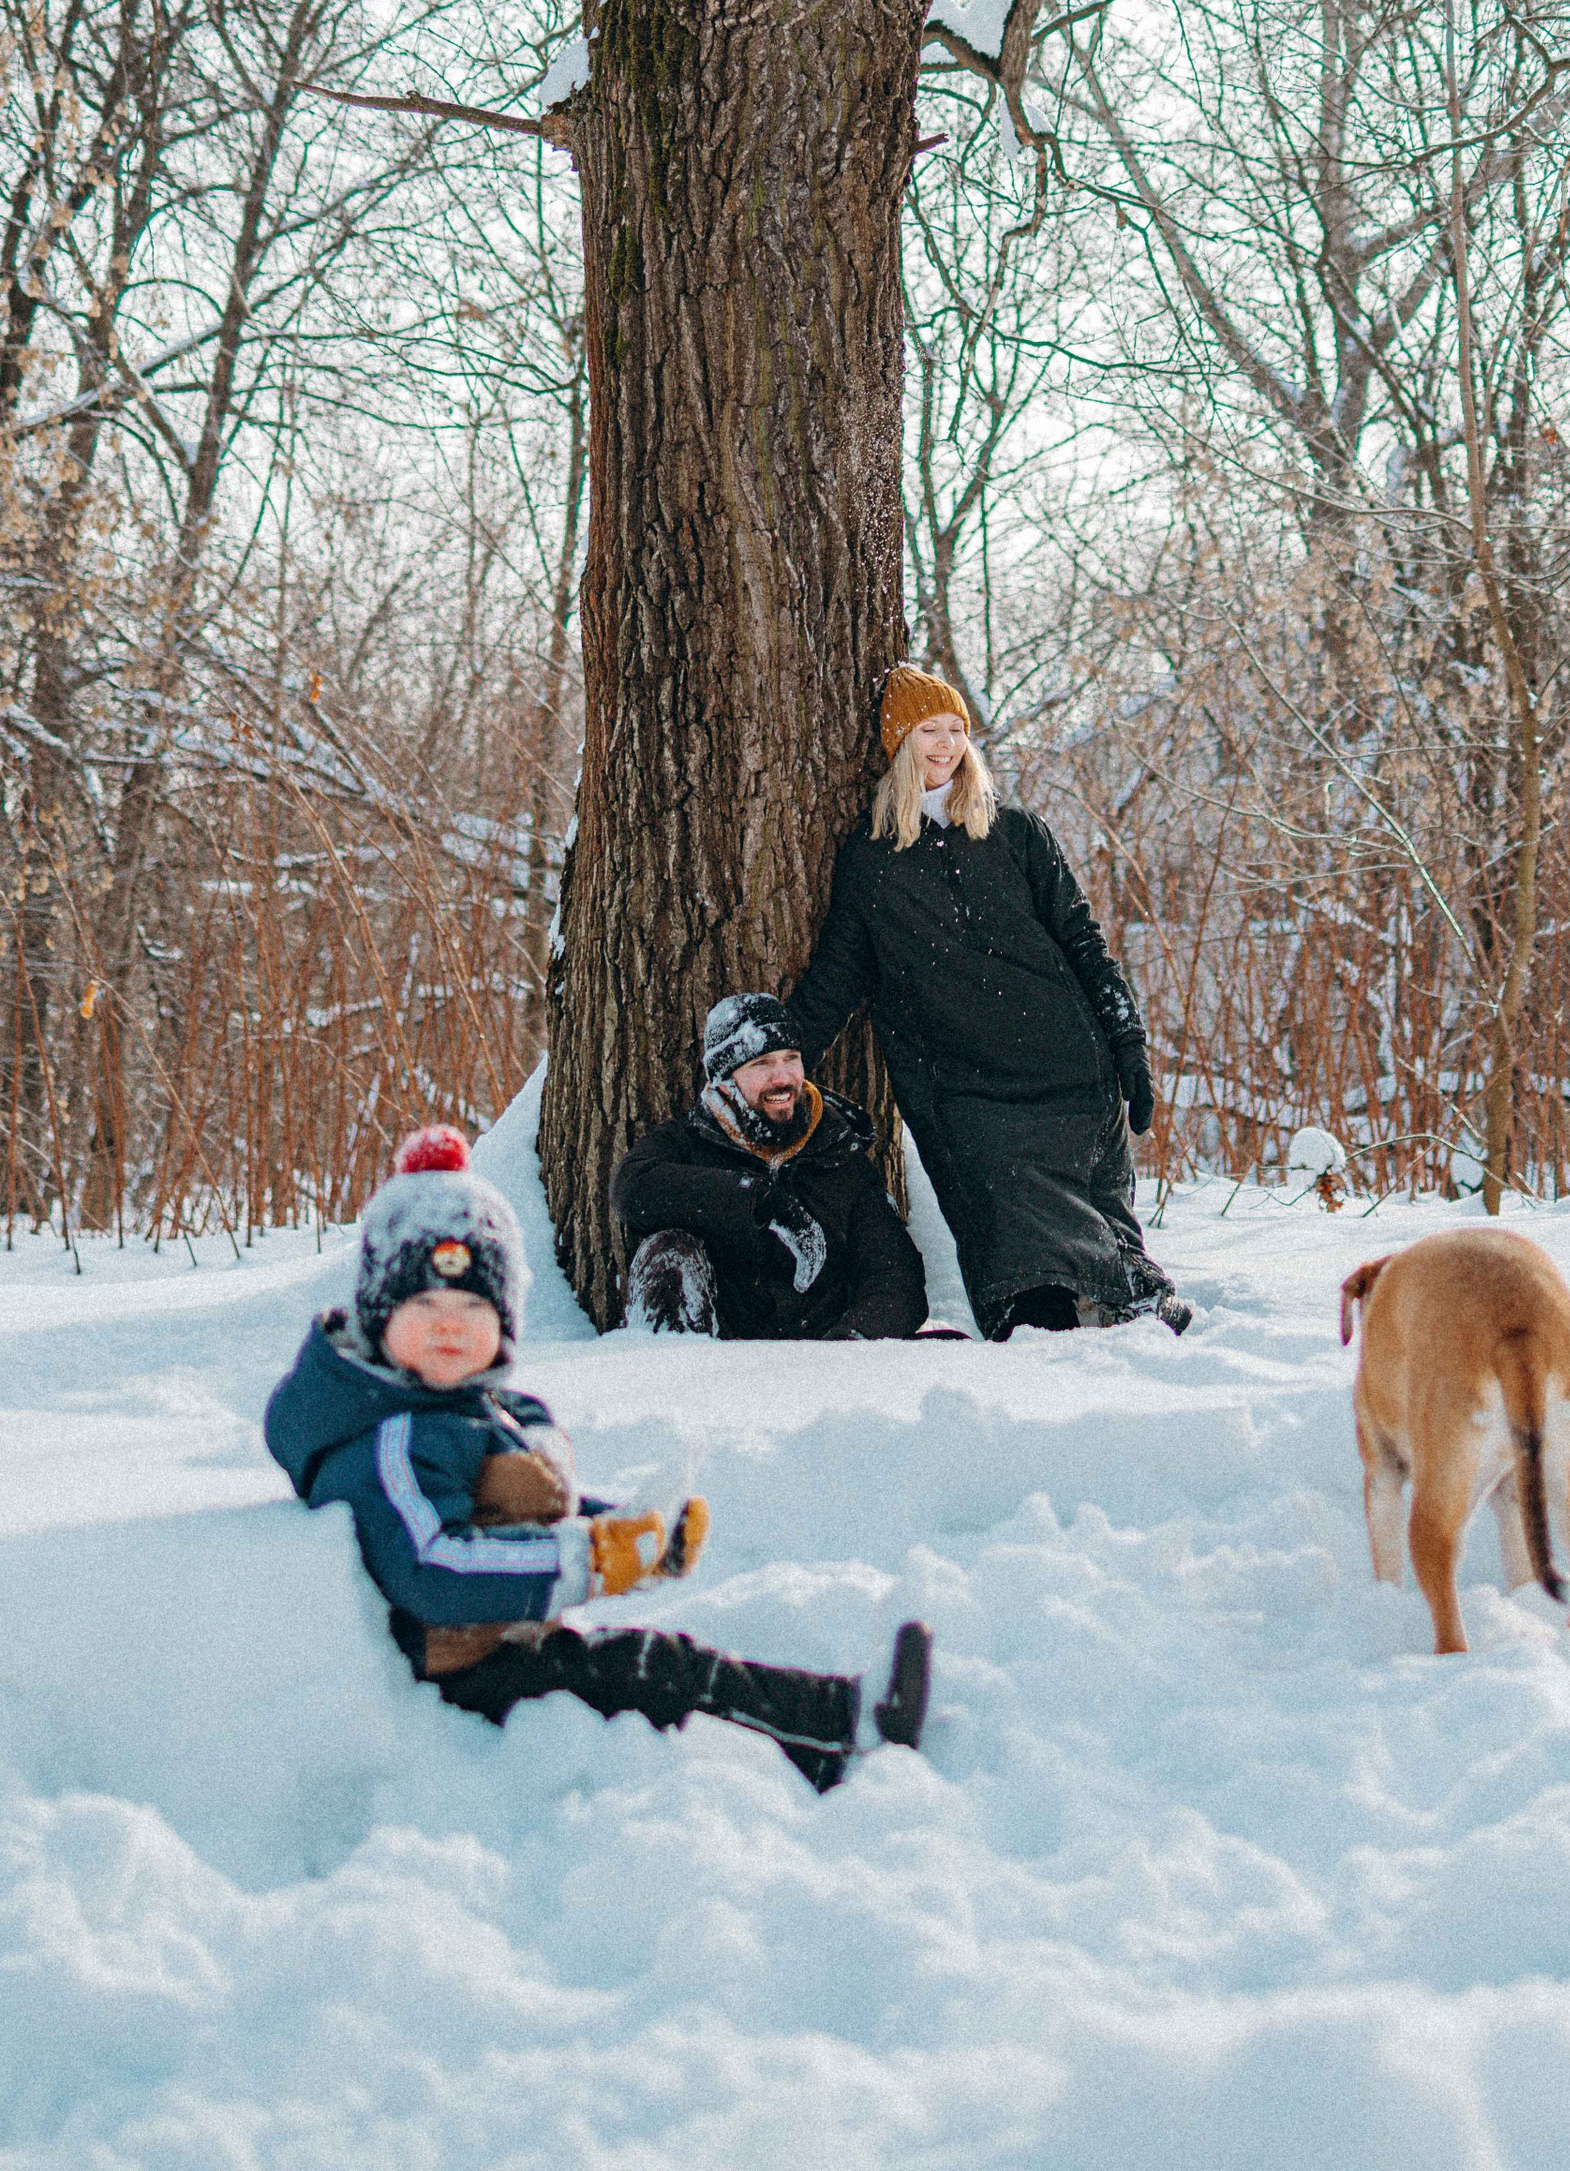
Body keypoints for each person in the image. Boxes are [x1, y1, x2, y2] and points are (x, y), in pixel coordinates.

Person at [264, 1122, 930, 1790]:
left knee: (662, 1665)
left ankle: (827, 1727)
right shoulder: (396, 1439)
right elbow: (432, 1568)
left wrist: (640, 1535)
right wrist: (591, 1559)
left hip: (506, 1641)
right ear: (380, 1318)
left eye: (472, 1305)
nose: (449, 1325)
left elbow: (523, 1508)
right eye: (425, 1304)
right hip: (459, 1673)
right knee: (655, 1669)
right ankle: (842, 1727)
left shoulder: (470, 1413)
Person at [784, 669, 1192, 1340]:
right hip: (963, 1083)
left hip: (1066, 1064)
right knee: (1012, 1247)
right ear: (898, 743)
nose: (945, 744)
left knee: (1102, 1226)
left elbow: (1082, 939)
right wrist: (781, 1056)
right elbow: (839, 972)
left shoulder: (1018, 833)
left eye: (955, 730)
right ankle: (1048, 1334)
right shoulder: (873, 857)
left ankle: (1132, 1314)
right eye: (928, 730)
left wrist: (1128, 1042)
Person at [612, 993, 929, 1340]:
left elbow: (895, 1277)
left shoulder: (839, 1152)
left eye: (791, 1058)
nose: (782, 1077)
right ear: (725, 1079)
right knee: (668, 1251)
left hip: (827, 1363)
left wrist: (848, 1345)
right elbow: (632, 1187)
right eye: (761, 1063)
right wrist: (759, 1202)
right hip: (712, 1370)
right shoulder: (689, 1142)